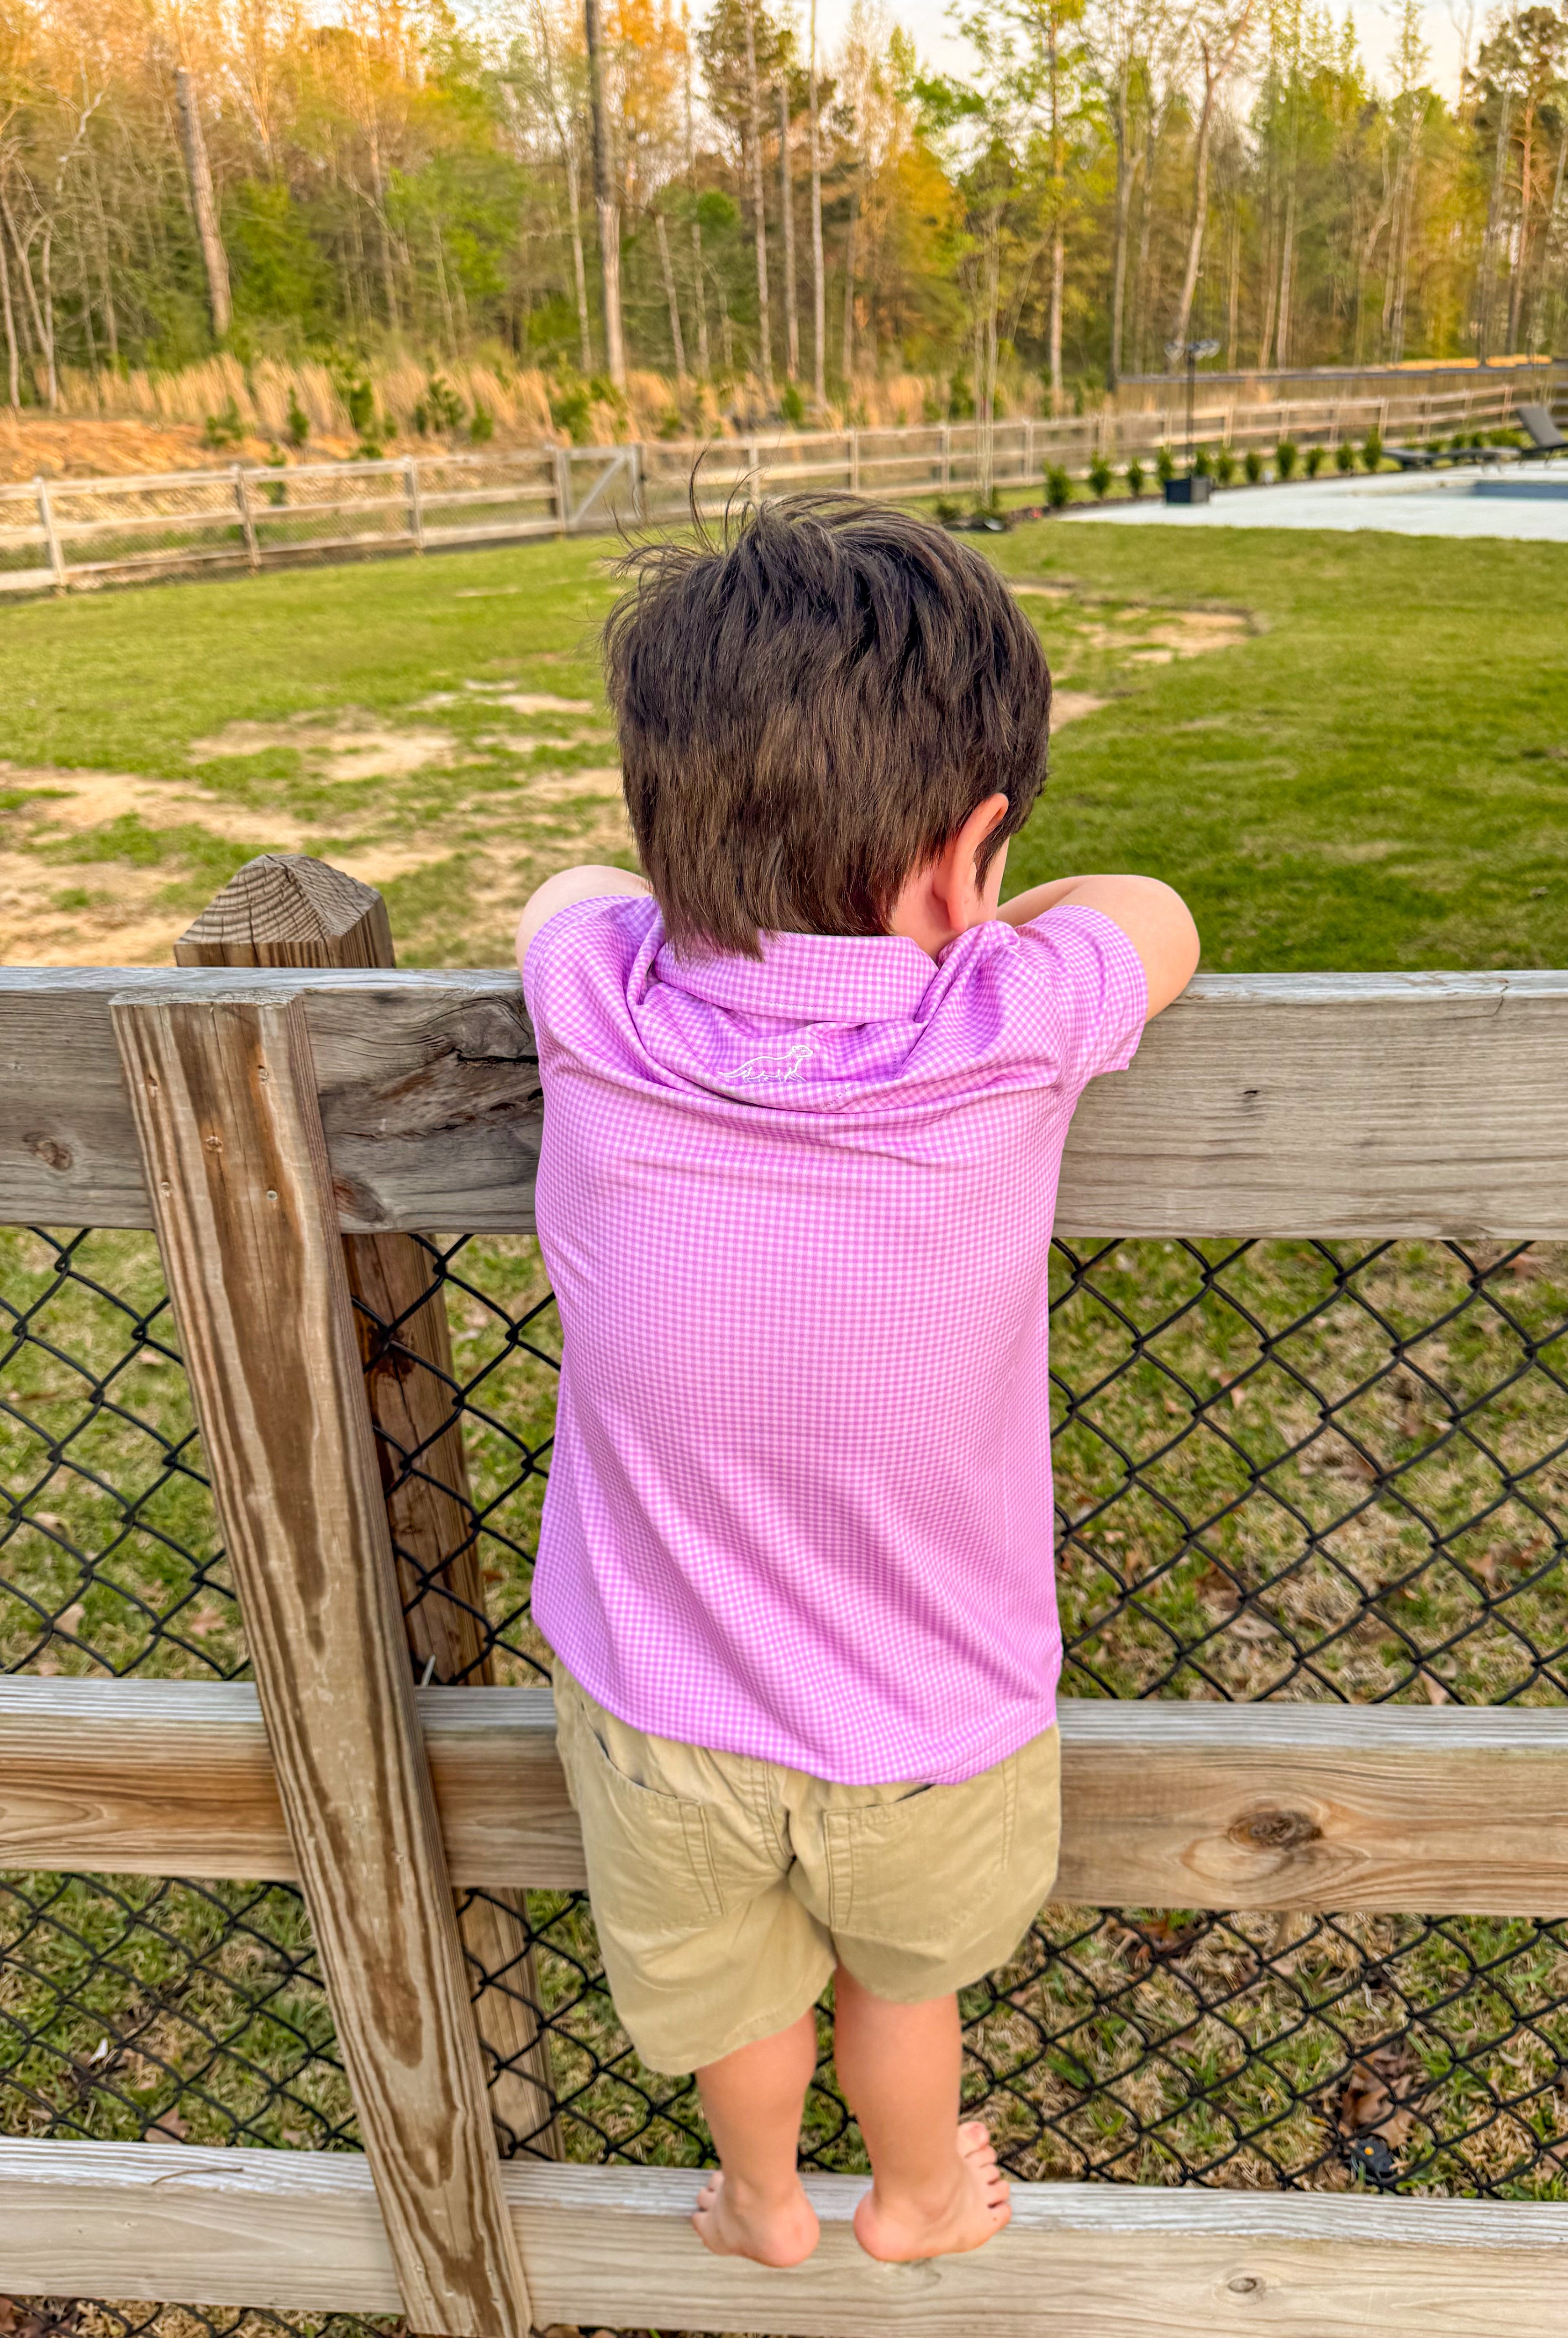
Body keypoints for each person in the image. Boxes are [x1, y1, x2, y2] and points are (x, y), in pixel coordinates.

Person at [515, 495, 1198, 2271]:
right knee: (907, 1984)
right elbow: (1158, 906)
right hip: (929, 1712)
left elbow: (569, 889)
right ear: (968, 856)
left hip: (661, 1706)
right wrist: (992, 920)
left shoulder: (596, 996)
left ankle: (764, 2197)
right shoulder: (1012, 1020)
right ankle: (909, 2195)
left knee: (729, 1992)